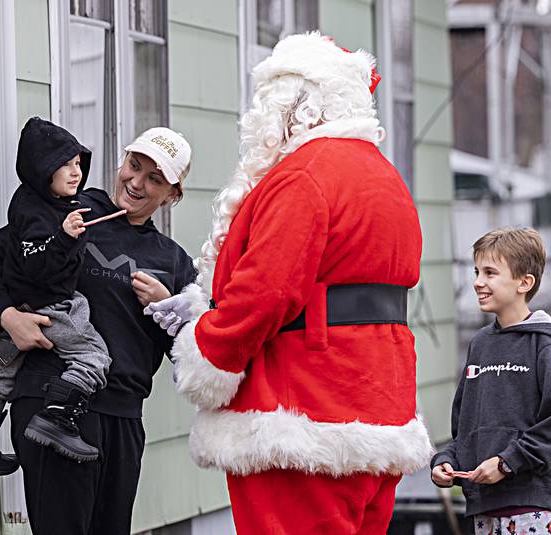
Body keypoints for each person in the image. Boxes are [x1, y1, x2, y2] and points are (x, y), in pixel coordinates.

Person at [145, 32, 433, 534]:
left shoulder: (304, 176)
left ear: (297, 105)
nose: (261, 120)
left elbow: (267, 293)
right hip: (378, 406)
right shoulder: (386, 179)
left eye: (268, 103)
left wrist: (207, 347)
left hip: (299, 413)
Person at [0, 125, 196, 535]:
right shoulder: (69, 212)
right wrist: (8, 316)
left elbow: (192, 351)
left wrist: (166, 306)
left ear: (172, 195)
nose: (136, 182)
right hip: (48, 401)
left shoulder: (174, 262)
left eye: (154, 179)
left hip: (124, 416)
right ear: (121, 161)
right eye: (133, 166)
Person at [0, 117, 112, 477]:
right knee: (94, 357)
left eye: (77, 162)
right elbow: (37, 265)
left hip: (24, 311)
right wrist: (66, 239)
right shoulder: (39, 220)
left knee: (1, 378)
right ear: (42, 171)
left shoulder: (39, 205)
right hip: (50, 310)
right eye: (64, 164)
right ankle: (57, 417)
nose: (76, 171)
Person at [430, 227, 551, 535]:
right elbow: (466, 429)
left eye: (490, 272)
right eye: (476, 271)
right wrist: (445, 460)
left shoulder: (548, 344)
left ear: (524, 283)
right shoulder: (480, 345)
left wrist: (506, 462)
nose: (477, 282)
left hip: (534, 505)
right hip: (484, 506)